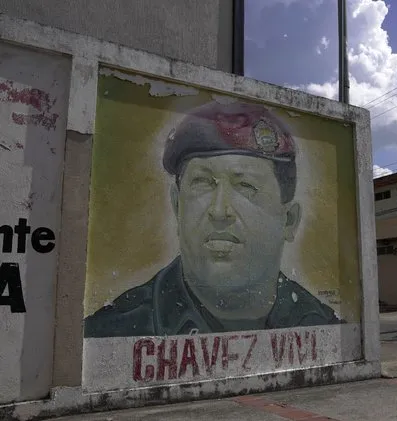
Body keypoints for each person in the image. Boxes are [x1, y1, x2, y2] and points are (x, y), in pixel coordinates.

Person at [84, 100, 342, 338]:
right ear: (177, 206)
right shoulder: (113, 331)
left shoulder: (324, 329)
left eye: (246, 186)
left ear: (289, 221)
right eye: (203, 183)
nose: (219, 211)